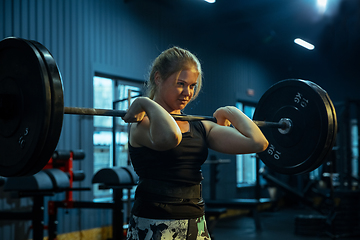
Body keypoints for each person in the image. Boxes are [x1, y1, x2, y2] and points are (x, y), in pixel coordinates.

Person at [122, 46, 268, 240]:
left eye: (192, 85)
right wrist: (145, 103)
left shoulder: (200, 126)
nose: (187, 92)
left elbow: (258, 142)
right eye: (181, 84)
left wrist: (229, 111)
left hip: (196, 223)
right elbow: (171, 137)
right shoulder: (142, 123)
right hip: (153, 225)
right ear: (158, 78)